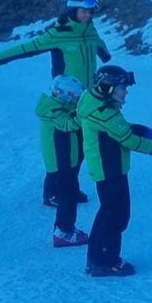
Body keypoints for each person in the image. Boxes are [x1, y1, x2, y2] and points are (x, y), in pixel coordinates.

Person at [0, 0, 111, 205]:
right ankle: (52, 192)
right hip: (64, 100)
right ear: (73, 11)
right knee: (58, 148)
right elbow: (27, 48)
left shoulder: (90, 30)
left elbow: (99, 45)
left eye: (91, 12)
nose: (89, 15)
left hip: (88, 99)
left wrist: (104, 55)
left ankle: (70, 186)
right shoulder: (58, 34)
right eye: (84, 11)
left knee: (83, 145)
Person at [79, 65, 152, 277]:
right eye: (122, 87)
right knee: (116, 216)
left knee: (109, 212)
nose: (126, 91)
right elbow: (129, 139)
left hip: (110, 167)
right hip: (109, 169)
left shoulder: (100, 104)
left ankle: (96, 258)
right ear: (107, 87)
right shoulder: (102, 111)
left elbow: (122, 126)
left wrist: (151, 132)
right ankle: (104, 261)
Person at [36, 75, 90, 247]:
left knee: (70, 193)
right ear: (65, 96)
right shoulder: (53, 112)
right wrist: (84, 111)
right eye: (75, 98)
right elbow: (69, 125)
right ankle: (63, 231)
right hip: (60, 164)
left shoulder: (60, 107)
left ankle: (65, 227)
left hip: (67, 161)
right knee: (67, 196)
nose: (77, 101)